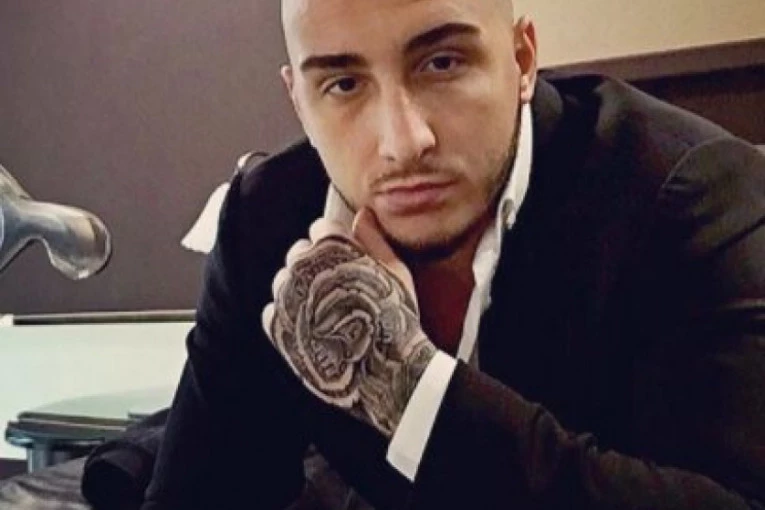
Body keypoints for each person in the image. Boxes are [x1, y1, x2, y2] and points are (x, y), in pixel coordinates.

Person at [141, 0, 765, 508]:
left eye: (441, 63)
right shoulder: (266, 218)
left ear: (522, 59)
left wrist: (414, 393)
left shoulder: (687, 194)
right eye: (344, 84)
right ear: (299, 100)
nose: (403, 141)